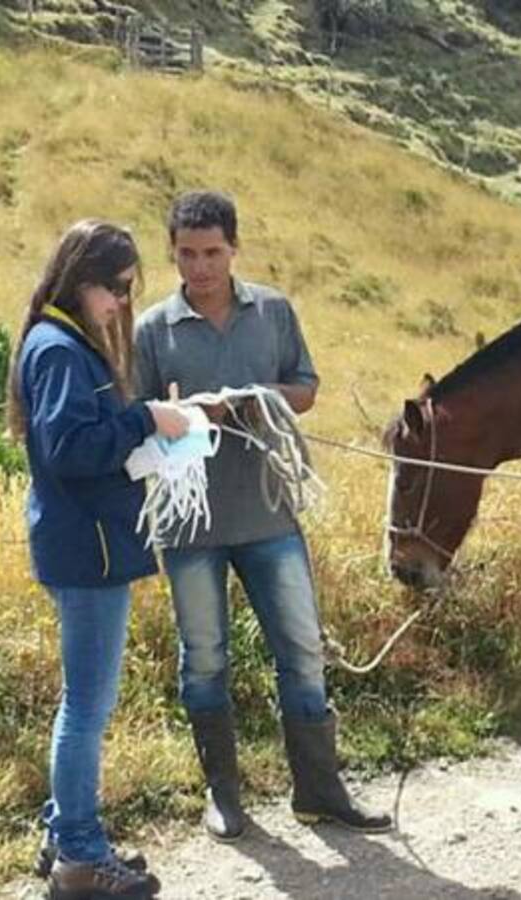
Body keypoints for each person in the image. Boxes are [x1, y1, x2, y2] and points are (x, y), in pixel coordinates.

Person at [133, 191, 390, 842]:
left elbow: (305, 388)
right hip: (191, 528)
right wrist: (190, 414)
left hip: (272, 513)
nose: (200, 267)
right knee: (206, 659)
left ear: (234, 248)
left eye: (212, 252)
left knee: (303, 651)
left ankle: (321, 795)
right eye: (187, 254)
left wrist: (258, 401)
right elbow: (136, 422)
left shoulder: (272, 310)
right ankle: (224, 799)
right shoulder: (152, 331)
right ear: (173, 252)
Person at [9, 220, 190, 899]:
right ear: (82, 281)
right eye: (116, 289)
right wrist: (145, 421)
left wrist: (143, 425)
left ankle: (67, 838)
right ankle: (81, 858)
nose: (121, 304)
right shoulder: (60, 349)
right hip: (89, 551)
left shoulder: (59, 341)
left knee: (81, 701)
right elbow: (70, 449)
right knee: (86, 706)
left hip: (86, 544)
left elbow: (76, 441)